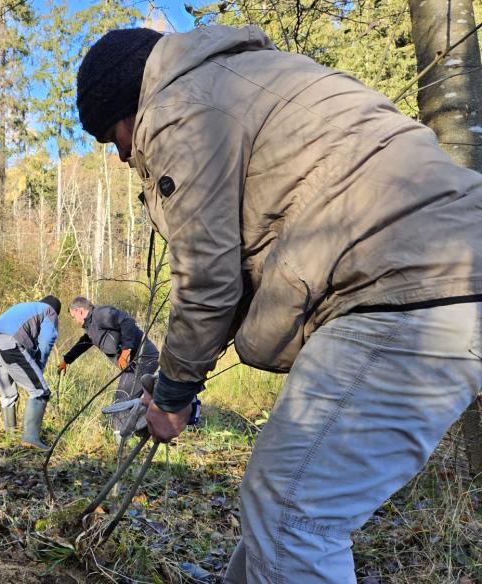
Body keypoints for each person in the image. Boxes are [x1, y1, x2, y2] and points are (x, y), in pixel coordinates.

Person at [77, 25, 482, 583]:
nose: (122, 155)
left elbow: (208, 281)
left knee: (292, 513)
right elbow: (242, 273)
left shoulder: (176, 108)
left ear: (125, 105)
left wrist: (171, 398)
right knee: (278, 499)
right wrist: (171, 377)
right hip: (429, 273)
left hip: (409, 286)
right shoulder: (241, 81)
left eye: (111, 137)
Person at [56, 296, 159, 438]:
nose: (75, 321)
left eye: (74, 317)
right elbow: (84, 343)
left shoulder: (101, 314)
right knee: (128, 397)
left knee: (122, 398)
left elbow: (126, 321)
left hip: (143, 358)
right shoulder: (92, 328)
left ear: (79, 311)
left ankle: (122, 439)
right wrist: (66, 360)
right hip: (134, 364)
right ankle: (149, 427)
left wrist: (126, 350)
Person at [0, 296, 61, 450]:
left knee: (8, 394)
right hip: (8, 344)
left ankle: (10, 438)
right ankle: (31, 438)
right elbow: (46, 341)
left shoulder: (25, 307)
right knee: (40, 391)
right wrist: (39, 366)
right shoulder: (49, 311)